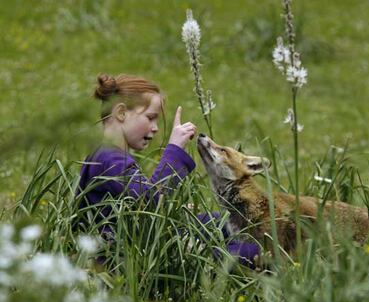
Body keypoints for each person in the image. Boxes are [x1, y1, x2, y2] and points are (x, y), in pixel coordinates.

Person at [77, 73, 259, 268]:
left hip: (142, 243)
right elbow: (150, 204)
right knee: (250, 251)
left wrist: (175, 212)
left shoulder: (107, 155)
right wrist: (174, 150)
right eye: (150, 117)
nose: (155, 128)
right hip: (127, 260)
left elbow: (140, 206)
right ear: (121, 113)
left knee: (225, 222)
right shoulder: (109, 159)